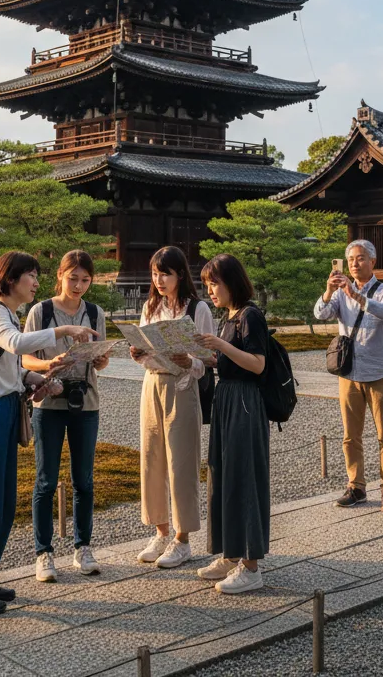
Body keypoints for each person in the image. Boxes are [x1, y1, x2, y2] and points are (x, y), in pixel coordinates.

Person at [0, 251, 97, 617]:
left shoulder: (9, 314)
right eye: (30, 275)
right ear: (11, 279)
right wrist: (62, 331)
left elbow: (11, 370)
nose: (35, 282)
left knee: (0, 502)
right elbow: (14, 345)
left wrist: (40, 380)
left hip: (3, 413)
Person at [23, 250, 109, 584]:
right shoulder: (40, 311)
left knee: (84, 480)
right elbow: (24, 357)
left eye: (85, 280)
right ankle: (43, 553)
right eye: (72, 277)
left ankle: (82, 547)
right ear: (60, 275)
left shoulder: (95, 312)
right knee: (45, 480)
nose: (78, 285)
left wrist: (100, 361)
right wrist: (48, 364)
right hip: (49, 401)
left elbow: (99, 360)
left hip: (85, 400)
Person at [132, 246, 215, 569]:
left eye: (165, 273)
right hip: (152, 383)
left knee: (182, 462)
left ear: (180, 274)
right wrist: (139, 354)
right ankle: (160, 530)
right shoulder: (150, 307)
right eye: (155, 273)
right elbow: (143, 345)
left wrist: (190, 360)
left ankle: (183, 539)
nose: (159, 280)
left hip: (183, 385)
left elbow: (210, 357)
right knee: (151, 458)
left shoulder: (197, 309)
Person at [193, 253, 269, 595]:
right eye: (207, 284)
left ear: (232, 282)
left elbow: (257, 364)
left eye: (215, 283)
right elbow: (225, 361)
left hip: (245, 402)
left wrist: (220, 344)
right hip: (226, 399)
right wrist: (196, 355)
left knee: (244, 477)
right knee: (221, 474)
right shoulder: (229, 318)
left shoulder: (250, 315)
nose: (210, 290)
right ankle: (229, 553)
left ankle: (251, 565)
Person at [314, 240, 383, 511]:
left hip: (380, 372)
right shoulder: (340, 292)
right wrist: (329, 291)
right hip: (349, 373)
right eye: (350, 259)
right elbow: (320, 314)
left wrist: (358, 297)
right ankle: (356, 486)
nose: (354, 263)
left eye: (360, 258)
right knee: (351, 435)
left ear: (373, 262)